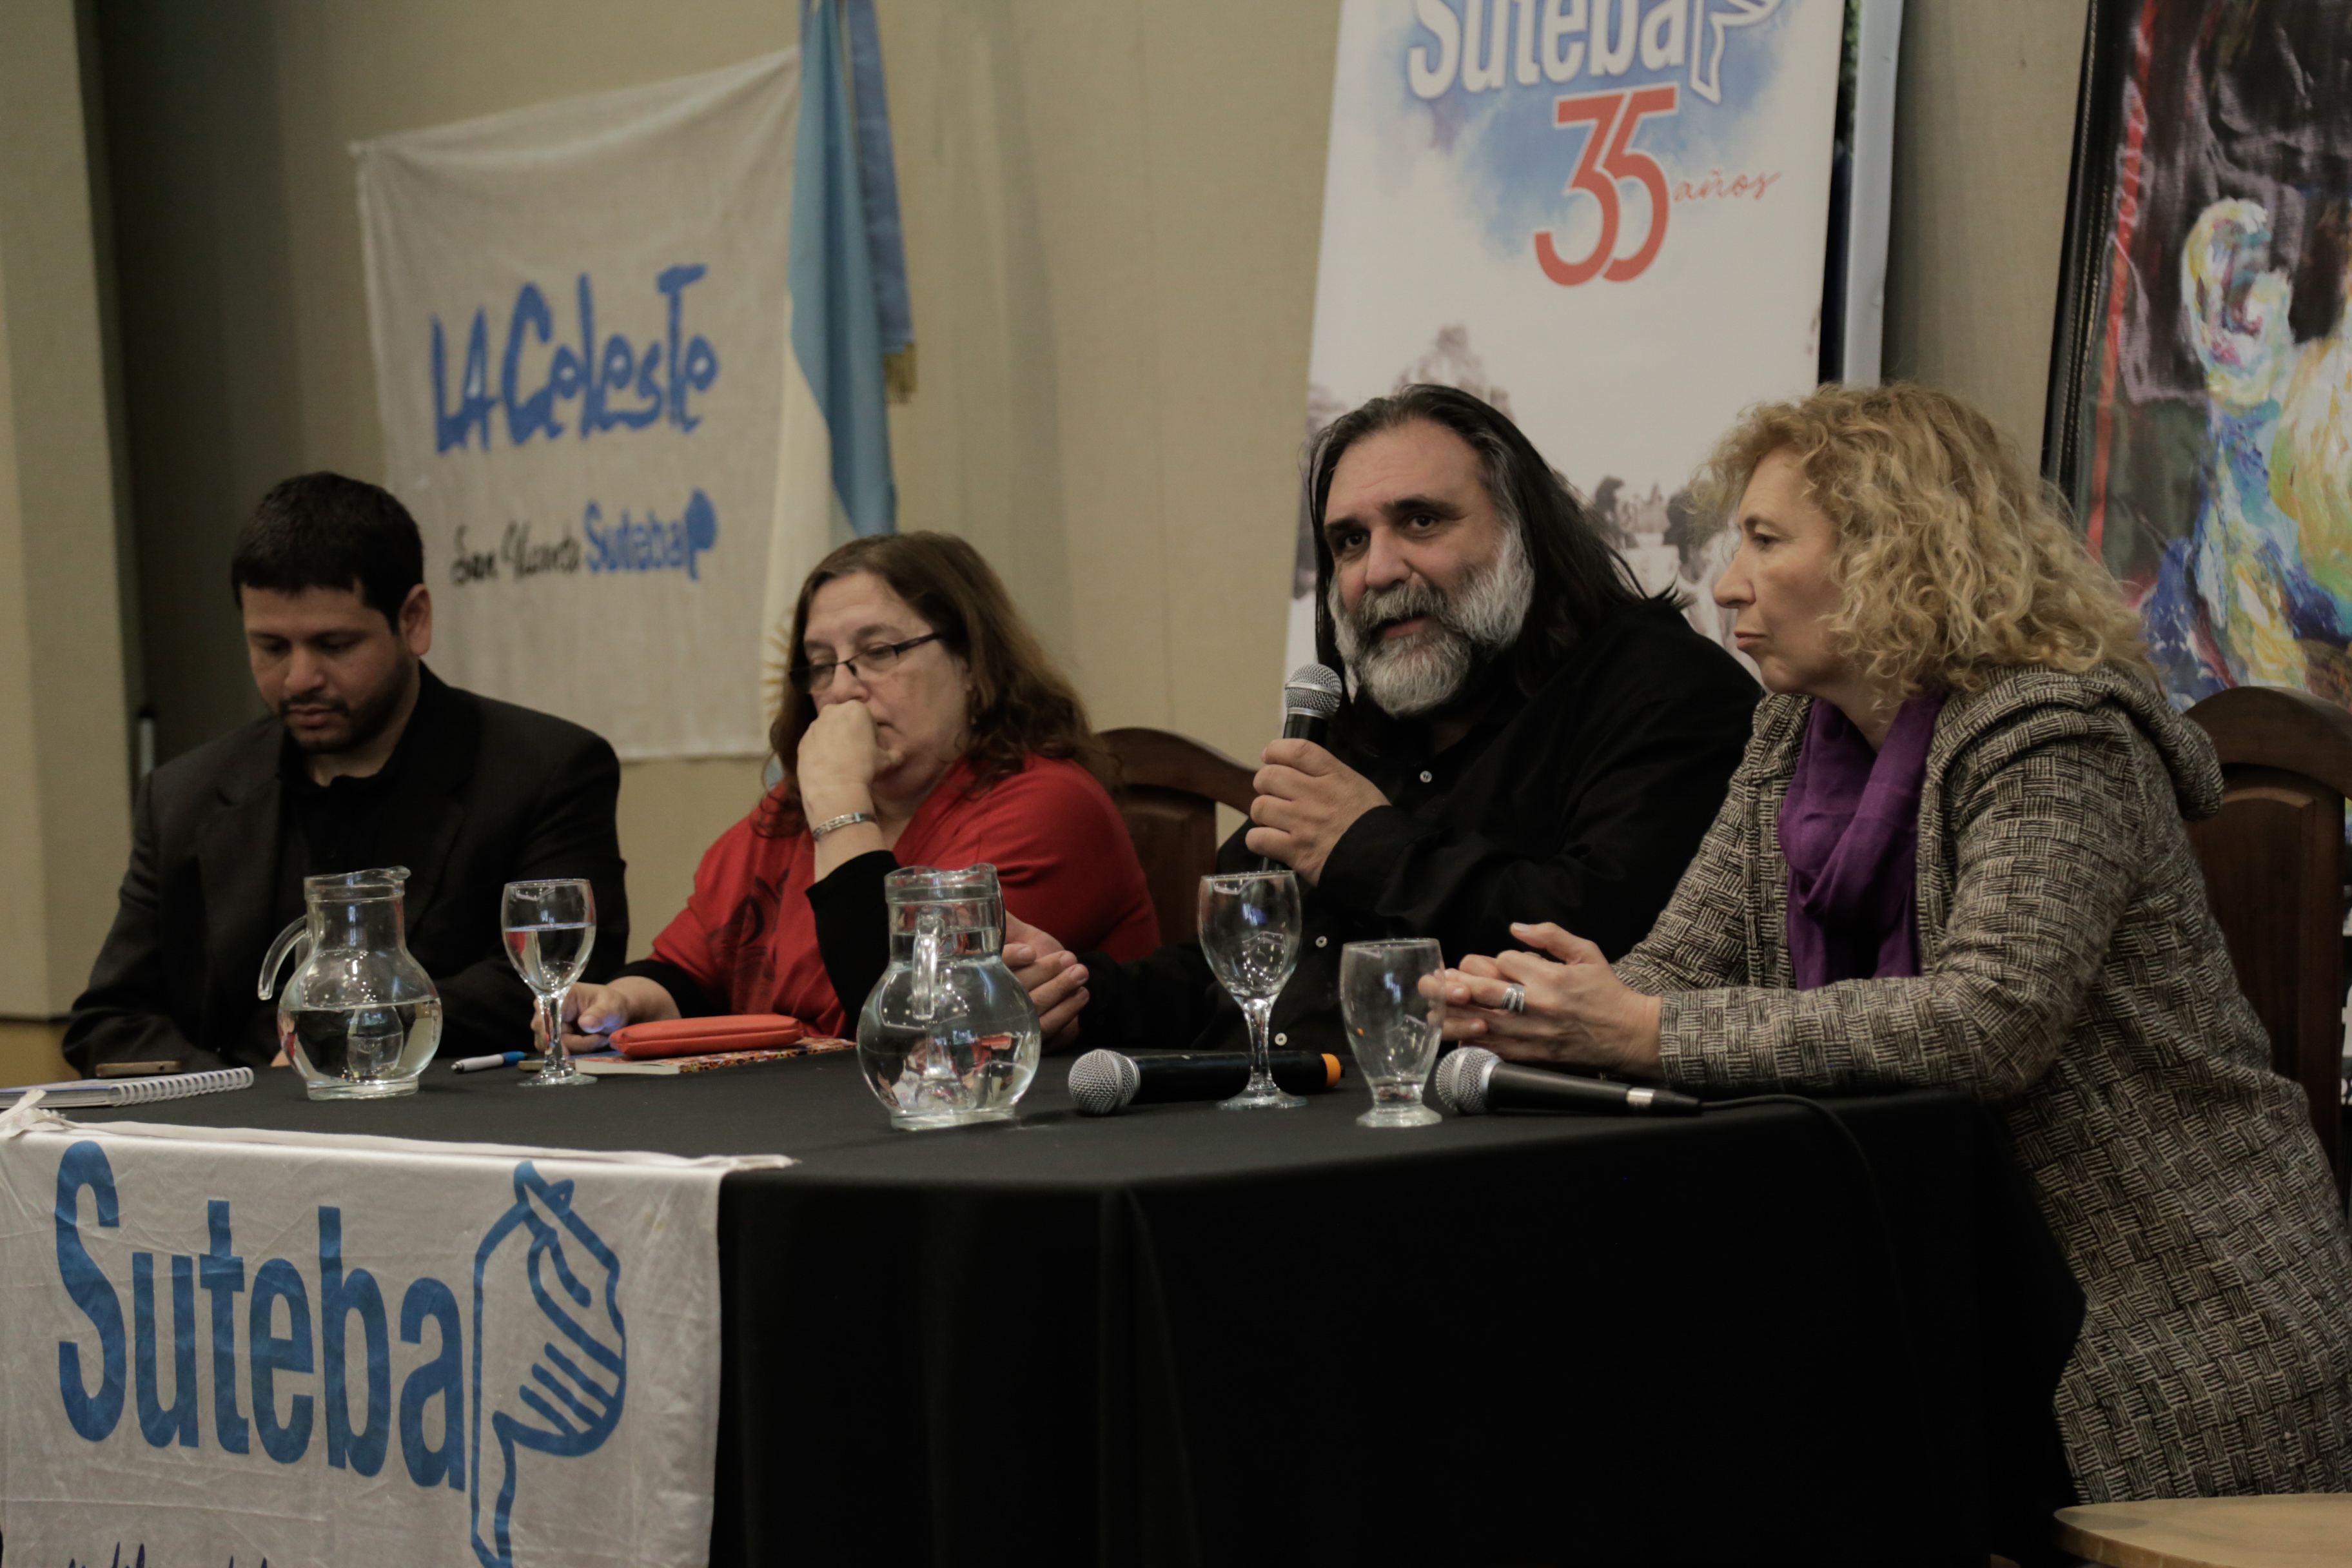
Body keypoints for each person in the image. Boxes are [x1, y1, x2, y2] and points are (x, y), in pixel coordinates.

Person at [1438, 383, 2352, 1502]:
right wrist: (1539, 1012)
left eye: (1765, 540)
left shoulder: (2055, 735)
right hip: (1938, 1275)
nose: (1726, 583)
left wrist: (1643, 1031)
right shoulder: (1794, 731)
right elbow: (1678, 966)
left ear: (1893, 549)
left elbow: (1987, 1025)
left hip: (2159, 1321)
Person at [1012, 384, 1761, 1057]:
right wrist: (1081, 997)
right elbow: (1236, 968)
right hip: (1271, 1123)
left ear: (1523, 532)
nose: (1378, 570)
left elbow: (1606, 942)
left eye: (1421, 521)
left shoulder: (1663, 687)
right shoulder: (1365, 723)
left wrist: (1364, 847)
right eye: (1350, 541)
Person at [65, 472, 629, 1073]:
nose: (299, 679)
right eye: (272, 647)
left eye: (334, 645)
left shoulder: (547, 770)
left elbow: (555, 983)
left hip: (447, 1116)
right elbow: (110, 1021)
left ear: (414, 620)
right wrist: (238, 1092)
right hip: (233, 1114)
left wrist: (340, 1039)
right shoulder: (185, 795)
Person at [556, 531, 1157, 1044]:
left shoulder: (1049, 804)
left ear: (973, 666)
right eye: (822, 664)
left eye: (879, 651)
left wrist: (841, 804)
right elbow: (693, 972)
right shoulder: (794, 811)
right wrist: (622, 1002)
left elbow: (913, 1020)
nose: (842, 690)